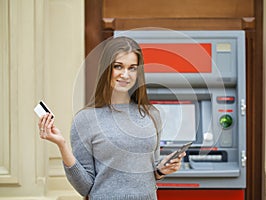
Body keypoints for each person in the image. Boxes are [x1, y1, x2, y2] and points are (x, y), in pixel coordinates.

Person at [38, 36, 185, 200]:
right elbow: (84, 187)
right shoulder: (85, 120)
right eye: (118, 66)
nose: (125, 74)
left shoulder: (152, 115)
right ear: (106, 69)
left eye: (132, 68)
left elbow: (148, 173)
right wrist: (62, 145)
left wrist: (161, 170)